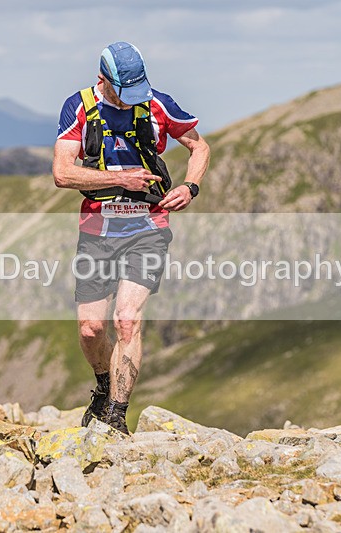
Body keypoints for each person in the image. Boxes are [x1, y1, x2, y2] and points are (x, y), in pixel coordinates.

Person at [52, 41, 210, 434]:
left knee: (127, 320)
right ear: (102, 80)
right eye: (124, 93)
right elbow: (62, 173)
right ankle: (104, 387)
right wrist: (119, 178)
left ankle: (117, 418)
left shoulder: (158, 103)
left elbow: (199, 146)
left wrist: (191, 187)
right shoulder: (79, 106)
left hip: (148, 228)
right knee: (91, 328)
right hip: (97, 230)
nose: (130, 102)